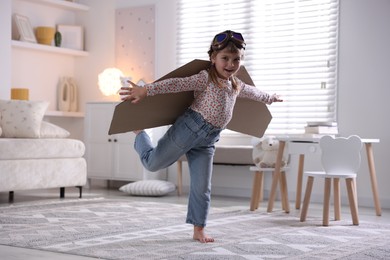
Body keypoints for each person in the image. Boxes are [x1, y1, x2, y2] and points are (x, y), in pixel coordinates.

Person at [119, 30, 283, 243]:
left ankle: (199, 229)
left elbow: (254, 93)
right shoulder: (205, 79)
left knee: (202, 187)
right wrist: (146, 90)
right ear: (213, 58)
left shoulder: (236, 85)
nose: (231, 64)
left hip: (208, 141)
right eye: (225, 58)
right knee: (152, 164)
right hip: (187, 130)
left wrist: (270, 97)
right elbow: (175, 84)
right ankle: (140, 133)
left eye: (236, 60)